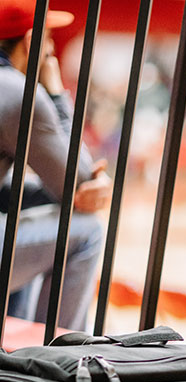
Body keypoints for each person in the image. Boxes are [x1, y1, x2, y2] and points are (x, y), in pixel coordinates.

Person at [0, 0, 111, 330]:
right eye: (47, 38)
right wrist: (55, 90)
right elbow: (78, 181)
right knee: (86, 231)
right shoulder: (16, 91)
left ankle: (10, 356)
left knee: (29, 210)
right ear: (32, 42)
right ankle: (52, 358)